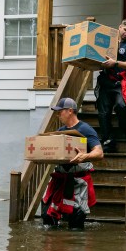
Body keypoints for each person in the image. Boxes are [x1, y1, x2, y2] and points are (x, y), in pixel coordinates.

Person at [41, 97, 104, 229]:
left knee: (76, 224)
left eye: (60, 111)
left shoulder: (85, 129)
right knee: (47, 218)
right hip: (60, 179)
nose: (58, 114)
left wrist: (84, 156)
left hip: (78, 182)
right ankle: (52, 247)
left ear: (70, 111)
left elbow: (99, 153)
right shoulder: (60, 132)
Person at [95, 18, 126, 153]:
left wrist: (116, 63)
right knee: (103, 112)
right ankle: (107, 139)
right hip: (105, 81)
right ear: (119, 27)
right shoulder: (106, 41)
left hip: (121, 82)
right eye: (125, 29)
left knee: (122, 106)